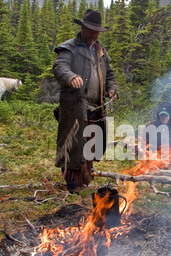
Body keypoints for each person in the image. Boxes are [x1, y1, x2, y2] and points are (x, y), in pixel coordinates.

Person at [53, 9, 118, 192]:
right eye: (90, 30)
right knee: (73, 143)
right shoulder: (69, 48)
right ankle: (72, 183)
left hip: (96, 106)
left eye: (96, 31)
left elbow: (110, 73)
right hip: (75, 105)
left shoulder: (100, 51)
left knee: (91, 142)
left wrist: (112, 88)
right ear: (82, 28)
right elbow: (60, 67)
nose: (93, 34)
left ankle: (86, 177)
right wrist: (70, 76)